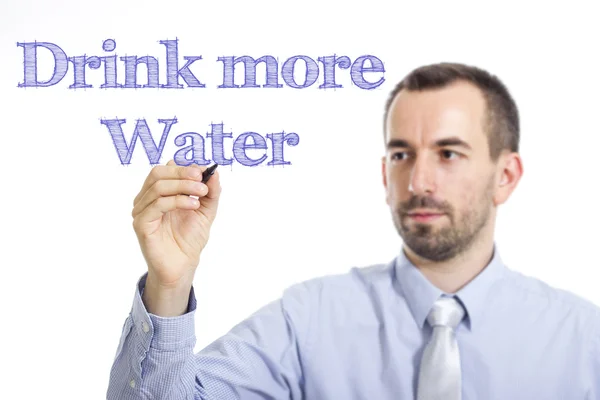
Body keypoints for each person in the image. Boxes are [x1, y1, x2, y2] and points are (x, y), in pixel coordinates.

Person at [106, 62, 600, 400]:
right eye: (402, 155)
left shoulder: (584, 341)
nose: (419, 181)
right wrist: (168, 285)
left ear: (506, 176)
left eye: (449, 154)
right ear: (385, 175)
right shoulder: (306, 321)